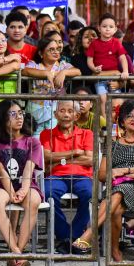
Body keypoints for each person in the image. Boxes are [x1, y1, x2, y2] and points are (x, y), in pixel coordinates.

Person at [71, 100, 134, 266]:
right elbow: (101, 175)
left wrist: (125, 170)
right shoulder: (113, 143)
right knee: (116, 204)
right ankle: (114, 252)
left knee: (116, 194)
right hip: (118, 189)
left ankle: (93, 236)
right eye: (130, 116)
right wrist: (116, 173)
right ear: (121, 121)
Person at [0, 100, 43, 266]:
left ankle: (15, 254)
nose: (19, 117)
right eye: (13, 114)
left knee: (33, 201)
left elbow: (29, 169)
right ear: (2, 118)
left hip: (27, 183)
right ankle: (18, 253)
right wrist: (11, 192)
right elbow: (0, 171)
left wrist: (23, 190)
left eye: (21, 113)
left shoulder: (33, 142)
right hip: (2, 185)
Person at [40, 100, 94, 254]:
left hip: (82, 175)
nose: (66, 114)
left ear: (76, 116)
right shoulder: (46, 134)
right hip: (56, 176)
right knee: (48, 193)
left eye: (70, 111)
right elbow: (46, 157)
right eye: (62, 111)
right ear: (56, 114)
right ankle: (66, 235)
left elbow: (90, 159)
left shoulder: (86, 134)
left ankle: (73, 236)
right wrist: (74, 153)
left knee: (90, 195)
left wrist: (60, 160)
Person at [23, 37, 81, 135]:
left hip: (56, 112)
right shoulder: (35, 65)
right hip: (36, 113)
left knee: (53, 141)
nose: (55, 52)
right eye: (51, 49)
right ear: (41, 53)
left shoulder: (63, 66)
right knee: (35, 142)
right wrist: (45, 73)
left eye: (57, 49)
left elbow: (78, 71)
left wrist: (64, 72)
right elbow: (25, 71)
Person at [86, 13, 129, 97]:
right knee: (102, 98)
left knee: (116, 98)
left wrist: (125, 71)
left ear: (115, 29)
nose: (107, 29)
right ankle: (103, 111)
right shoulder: (94, 43)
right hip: (100, 78)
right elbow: (89, 60)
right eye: (104, 26)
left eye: (111, 27)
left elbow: (123, 58)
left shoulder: (116, 42)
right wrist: (94, 68)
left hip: (114, 77)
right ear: (99, 28)